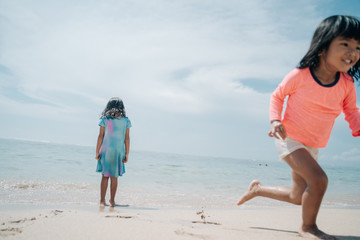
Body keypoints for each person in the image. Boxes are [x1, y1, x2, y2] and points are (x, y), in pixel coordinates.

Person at [237, 15, 360, 240]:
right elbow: (277, 96)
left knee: (298, 195)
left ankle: (258, 189)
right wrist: (275, 121)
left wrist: (357, 128)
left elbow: (351, 110)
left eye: (358, 46)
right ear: (323, 47)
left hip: (313, 144)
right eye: (345, 44)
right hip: (289, 139)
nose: (353, 51)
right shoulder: (300, 76)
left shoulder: (346, 84)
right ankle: (308, 227)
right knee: (319, 180)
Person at [95, 97, 131, 207]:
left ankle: (102, 201)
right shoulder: (126, 121)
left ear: (109, 107)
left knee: (105, 176)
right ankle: (112, 201)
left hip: (106, 151)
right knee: (114, 177)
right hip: (118, 152)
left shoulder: (105, 119)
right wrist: (127, 153)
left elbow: (100, 136)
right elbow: (127, 138)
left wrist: (97, 152)